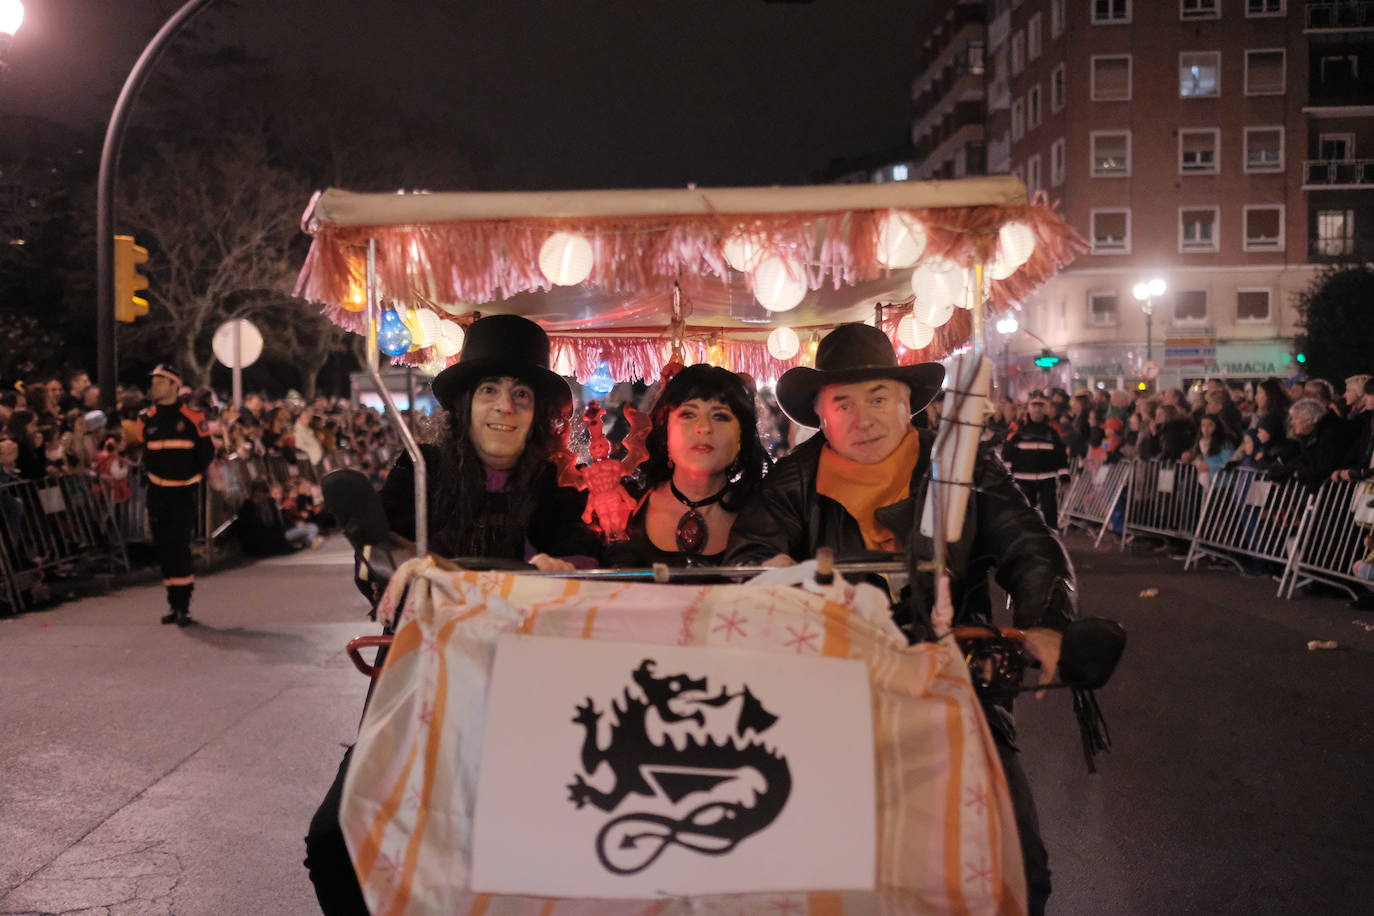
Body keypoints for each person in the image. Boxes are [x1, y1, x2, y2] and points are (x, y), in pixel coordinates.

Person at [724, 323, 1074, 915]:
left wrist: (1044, 621)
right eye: (844, 403)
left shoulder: (963, 468)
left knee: (1013, 858)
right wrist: (769, 568)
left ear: (908, 402)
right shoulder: (791, 481)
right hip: (831, 691)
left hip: (955, 681)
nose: (864, 418)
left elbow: (1030, 547)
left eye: (879, 398)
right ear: (820, 415)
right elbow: (748, 558)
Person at [305, 315, 597, 916]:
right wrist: (405, 566)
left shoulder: (560, 486)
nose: (504, 408)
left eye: (520, 395)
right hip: (418, 685)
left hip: (522, 695)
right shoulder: (419, 473)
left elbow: (588, 555)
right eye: (489, 391)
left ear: (537, 411)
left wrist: (561, 568)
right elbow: (378, 560)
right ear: (466, 403)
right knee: (334, 839)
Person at [602, 364, 770, 568]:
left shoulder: (766, 517)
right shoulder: (624, 506)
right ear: (665, 430)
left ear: (741, 439)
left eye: (720, 416)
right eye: (688, 414)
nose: (704, 428)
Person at [138, 364, 214, 625]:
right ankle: (172, 602)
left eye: (160, 381)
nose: (154, 386)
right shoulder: (145, 418)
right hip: (156, 493)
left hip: (182, 493)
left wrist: (194, 478)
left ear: (174, 386)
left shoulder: (192, 418)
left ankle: (184, 605)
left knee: (180, 547)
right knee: (164, 548)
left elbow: (206, 453)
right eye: (153, 380)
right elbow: (144, 454)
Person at [1002, 394, 1070, 527]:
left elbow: (1060, 455)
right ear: (1028, 408)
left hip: (1047, 478)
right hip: (1023, 478)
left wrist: (1064, 476)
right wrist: (1007, 475)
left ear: (1045, 409)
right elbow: (1007, 453)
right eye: (1034, 405)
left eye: (1041, 406)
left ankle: (1053, 539)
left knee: (1050, 511)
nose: (1037, 409)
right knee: (1024, 512)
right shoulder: (1018, 430)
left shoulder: (1052, 431)